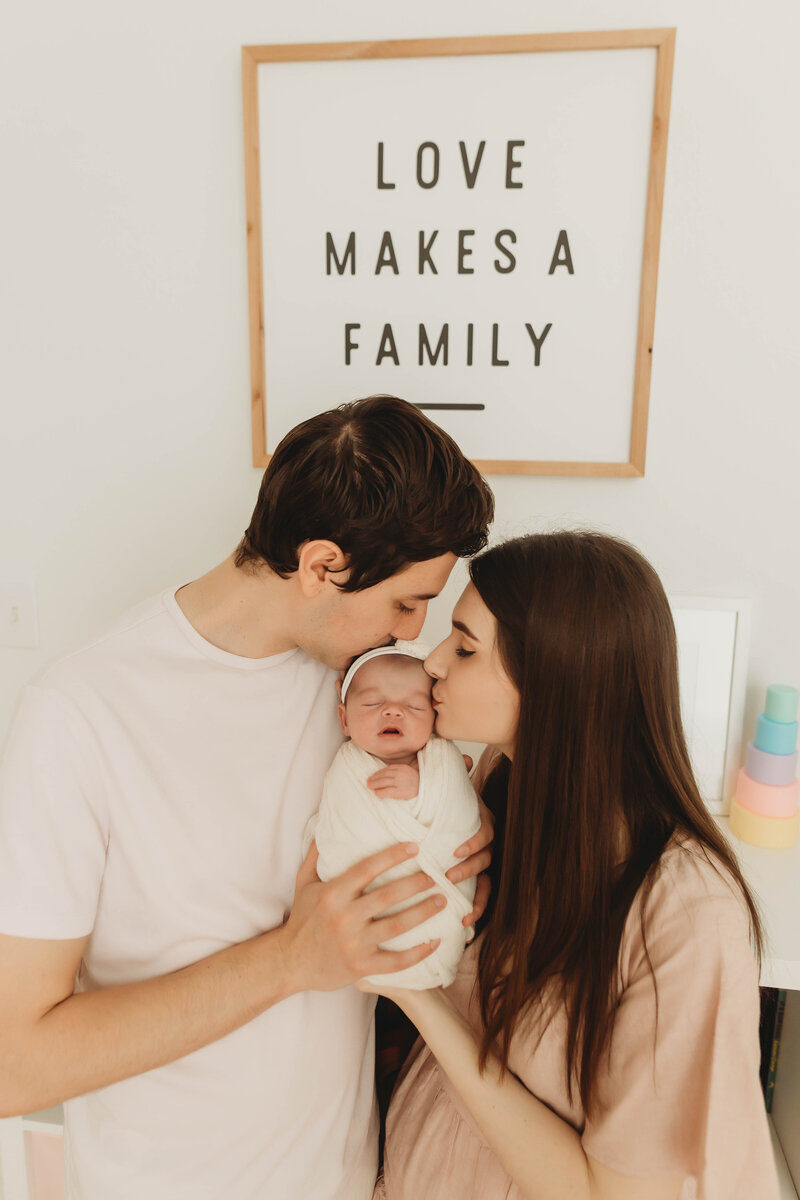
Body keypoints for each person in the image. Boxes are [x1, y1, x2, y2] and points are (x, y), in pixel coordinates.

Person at [0, 395, 495, 1200]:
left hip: (344, 1178)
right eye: (405, 601)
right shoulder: (78, 716)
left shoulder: (359, 688)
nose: (415, 630)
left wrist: (461, 826)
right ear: (322, 567)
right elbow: (12, 1066)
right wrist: (290, 962)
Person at [371, 531, 780, 1200]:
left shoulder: (686, 916)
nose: (434, 662)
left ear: (557, 677)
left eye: (466, 647)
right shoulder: (496, 791)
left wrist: (413, 994)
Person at [308, 640, 481, 990]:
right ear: (344, 719)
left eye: (414, 706)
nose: (393, 712)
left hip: (437, 918)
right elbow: (335, 833)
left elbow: (464, 820)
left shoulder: (443, 762)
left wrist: (425, 788)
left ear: (434, 719)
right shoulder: (345, 768)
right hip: (361, 929)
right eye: (373, 703)